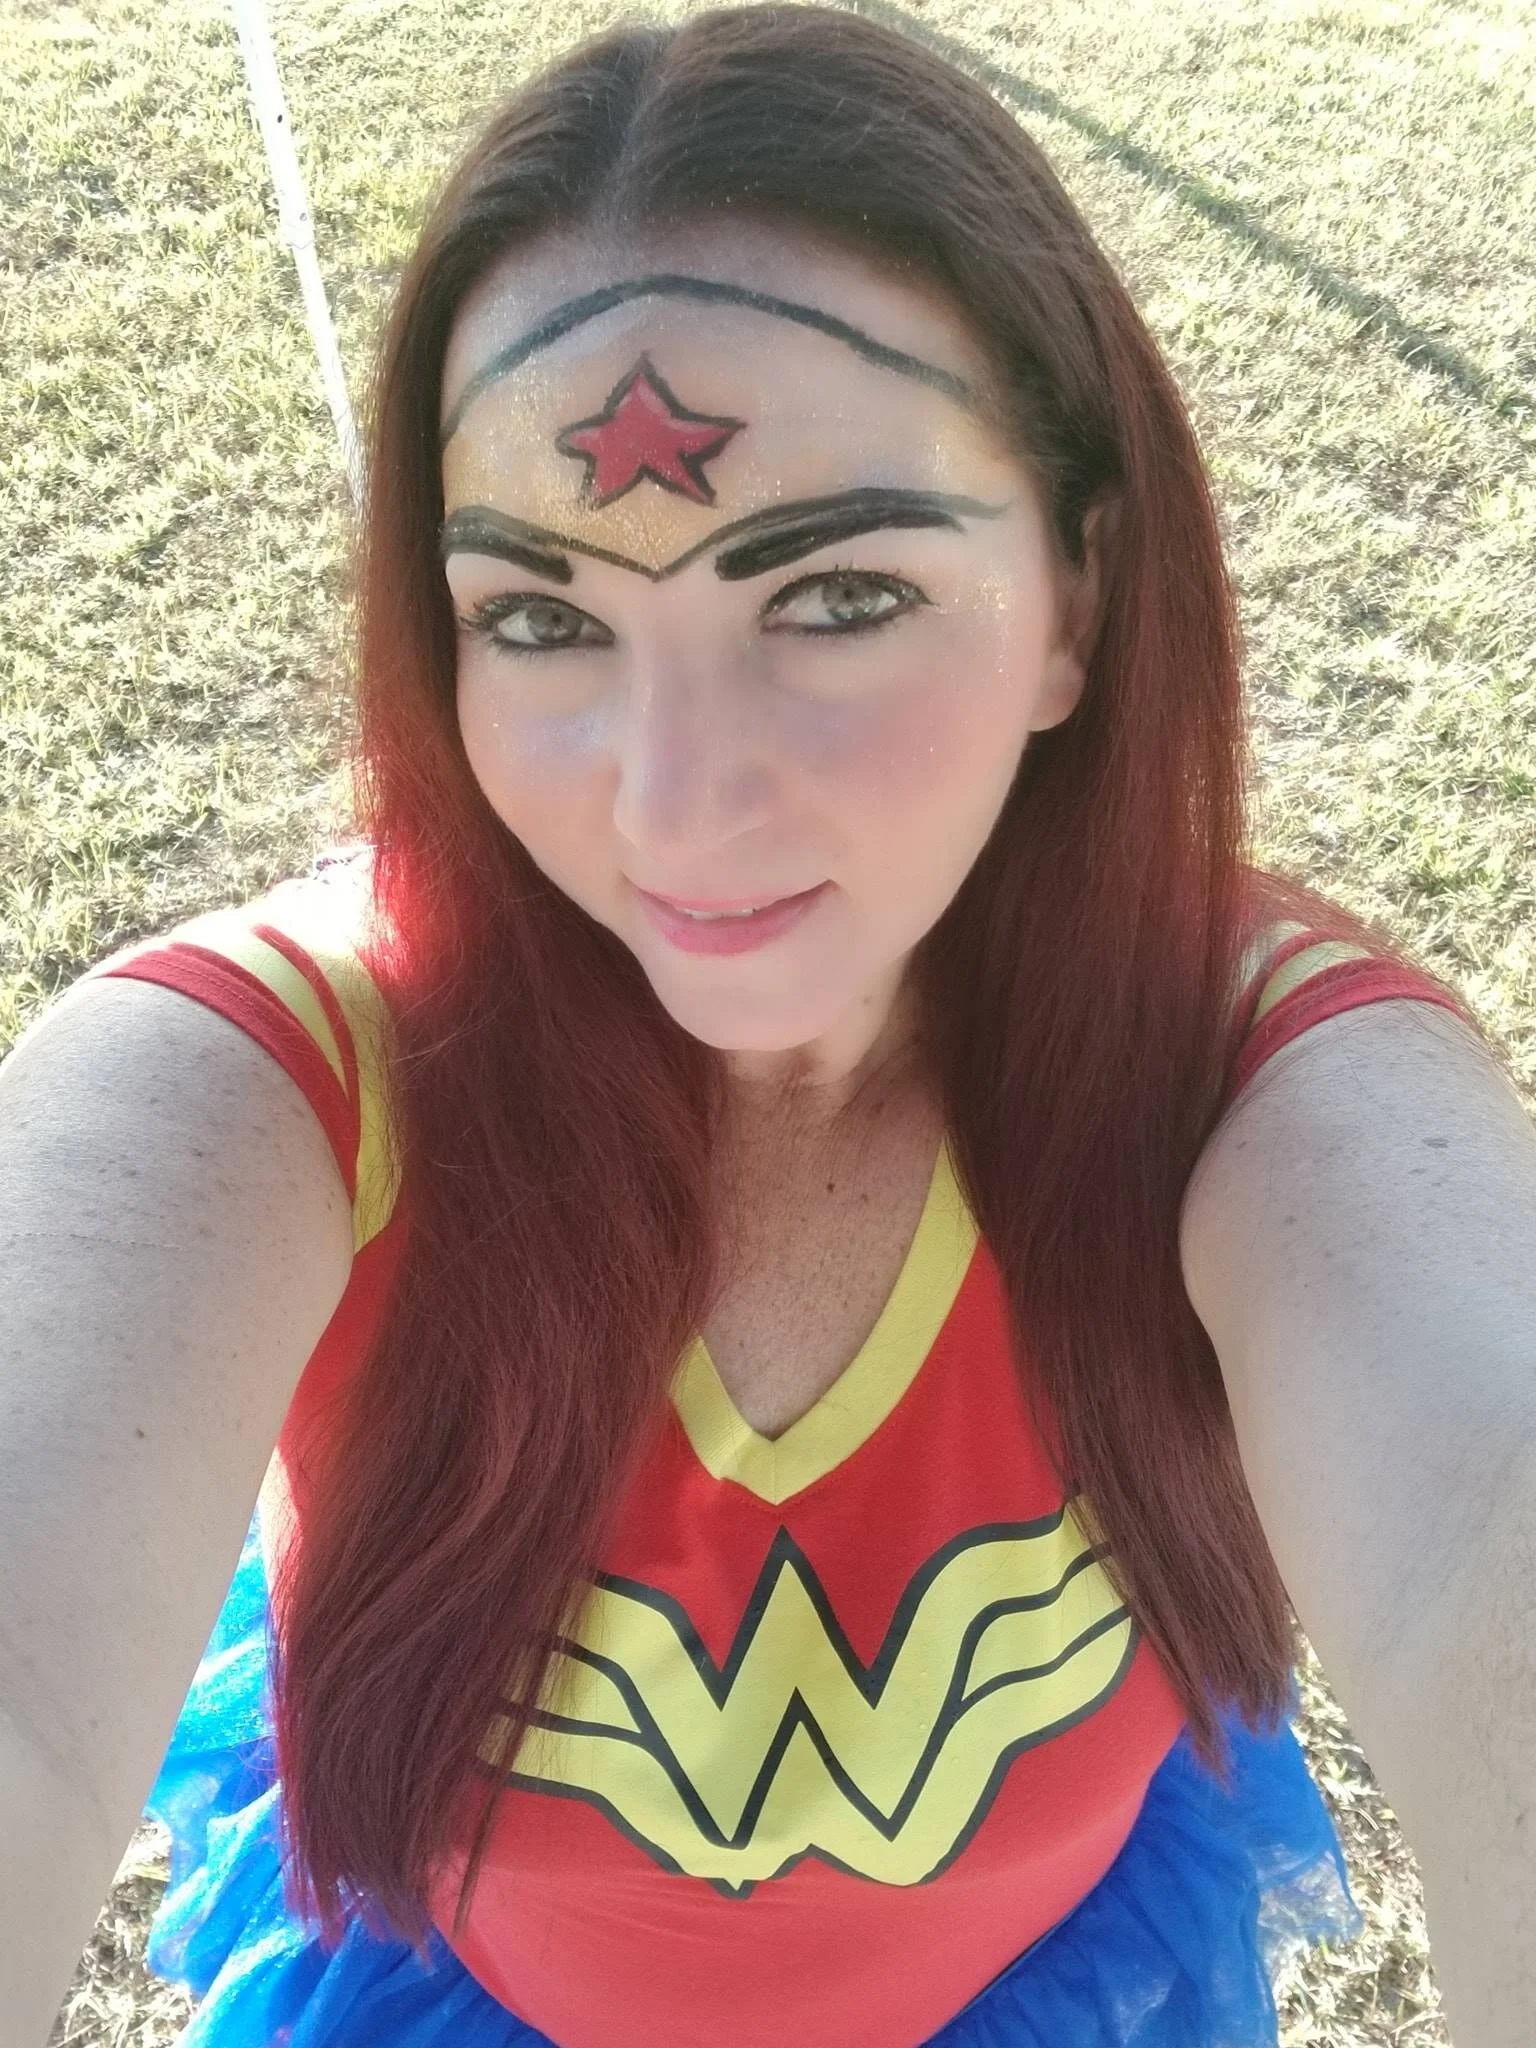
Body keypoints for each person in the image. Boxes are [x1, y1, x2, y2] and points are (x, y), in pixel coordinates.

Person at [6, 7, 1534, 2045]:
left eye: (835, 598)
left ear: (1077, 599)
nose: (672, 806)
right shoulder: (268, 1088)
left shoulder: (1255, 1082)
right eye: (542, 617)